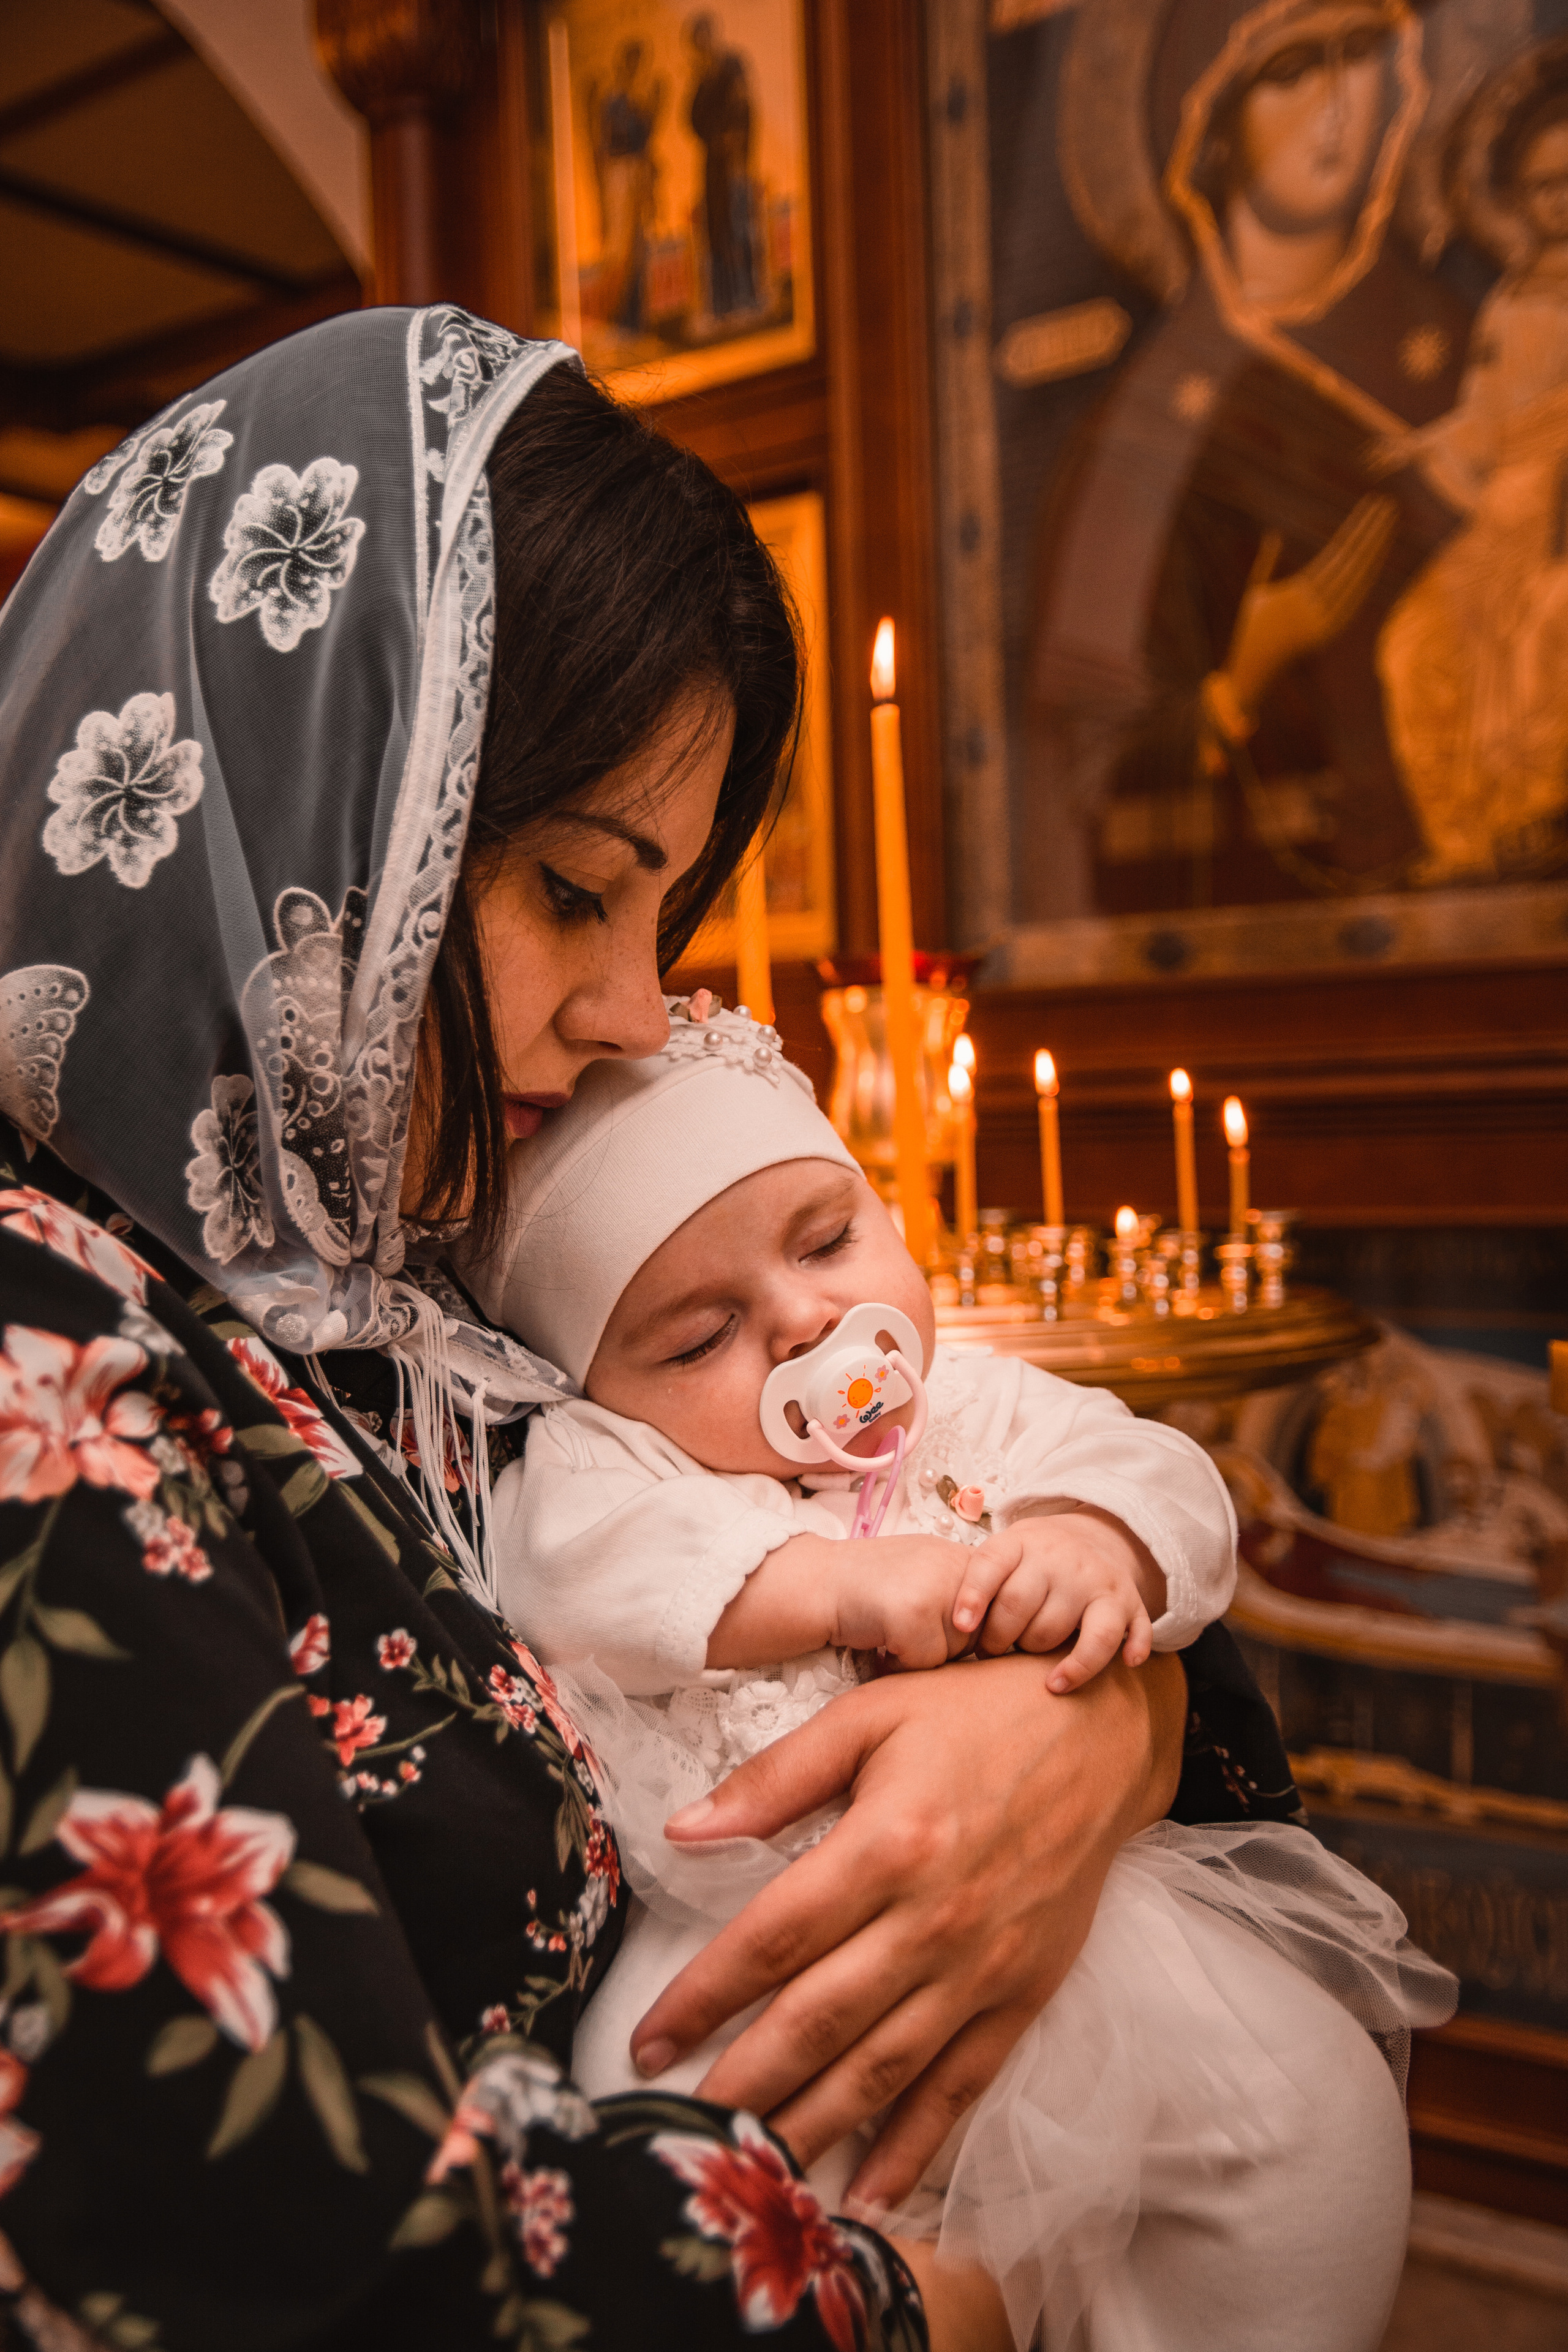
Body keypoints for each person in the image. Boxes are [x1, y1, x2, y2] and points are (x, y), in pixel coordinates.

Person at [0, 302, 1303, 2351]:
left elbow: (984, 1494)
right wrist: (939, 2308)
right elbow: (280, 2239)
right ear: (318, 810)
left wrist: (1080, 1730)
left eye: (660, 915)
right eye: (569, 890)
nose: (633, 1013)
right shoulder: (45, 1350)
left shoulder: (390, 1272)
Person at [466, 996, 1454, 2352]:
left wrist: (1089, 1542)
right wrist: (829, 1586)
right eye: (697, 1339)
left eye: (828, 1240)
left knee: (1305, 2106)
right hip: (743, 1933)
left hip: (1093, 1920)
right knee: (658, 2115)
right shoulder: (614, 1464)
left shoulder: (982, 1402)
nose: (807, 1318)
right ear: (594, 1383)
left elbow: (1162, 1478)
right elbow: (565, 1571)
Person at [1023, 0, 1474, 923]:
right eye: (1290, 71)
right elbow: (1090, 755)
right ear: (1214, 124)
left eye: (1360, 57)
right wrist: (1244, 676)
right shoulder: (1148, 426)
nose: (1335, 105)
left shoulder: (1469, 349)